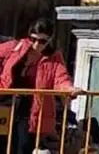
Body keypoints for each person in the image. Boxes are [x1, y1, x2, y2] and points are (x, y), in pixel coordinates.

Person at [0, 18, 82, 154]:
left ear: (49, 40)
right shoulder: (15, 47)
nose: (37, 44)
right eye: (33, 39)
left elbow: (61, 78)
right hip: (6, 104)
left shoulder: (54, 57)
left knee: (22, 147)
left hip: (30, 110)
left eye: (42, 41)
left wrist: (70, 89)